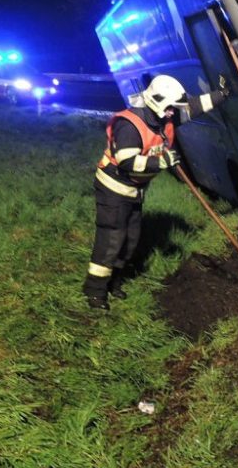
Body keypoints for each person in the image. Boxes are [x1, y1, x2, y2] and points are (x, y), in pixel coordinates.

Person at [84, 74, 227, 310]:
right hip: (113, 190)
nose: (173, 112)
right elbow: (126, 161)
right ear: (158, 103)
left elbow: (193, 107)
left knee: (130, 241)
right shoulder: (129, 125)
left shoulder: (164, 117)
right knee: (112, 239)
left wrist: (222, 95)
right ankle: (95, 292)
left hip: (134, 191)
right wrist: (161, 162)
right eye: (170, 108)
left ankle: (114, 282)